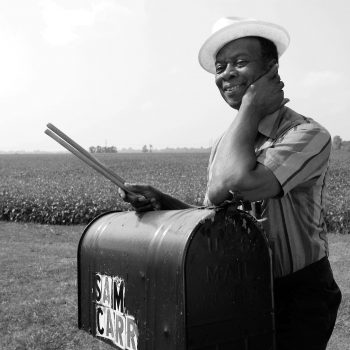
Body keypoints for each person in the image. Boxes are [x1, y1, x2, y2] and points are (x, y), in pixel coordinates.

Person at [118, 17, 341, 350]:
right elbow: (218, 213)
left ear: (271, 70)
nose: (226, 74)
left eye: (240, 62)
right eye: (220, 67)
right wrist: (162, 201)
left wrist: (249, 106)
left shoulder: (307, 134)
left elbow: (241, 184)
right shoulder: (226, 143)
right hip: (242, 287)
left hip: (298, 293)